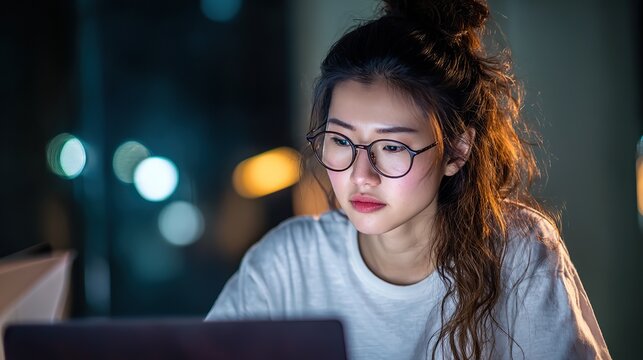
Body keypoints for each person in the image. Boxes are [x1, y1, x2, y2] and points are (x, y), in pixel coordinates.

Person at [205, 0, 611, 358]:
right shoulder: (288, 263)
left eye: (393, 147)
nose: (361, 175)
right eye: (341, 140)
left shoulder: (519, 252)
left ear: (456, 151)